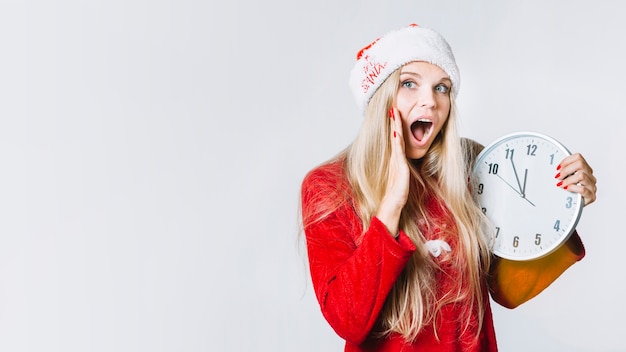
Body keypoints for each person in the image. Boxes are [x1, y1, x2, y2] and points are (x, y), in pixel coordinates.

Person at [299, 24, 597, 351]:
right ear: (379, 96)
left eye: (441, 88)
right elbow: (348, 321)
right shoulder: (329, 187)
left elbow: (507, 289)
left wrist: (563, 204)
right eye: (409, 83)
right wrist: (391, 209)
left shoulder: (470, 165)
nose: (430, 101)